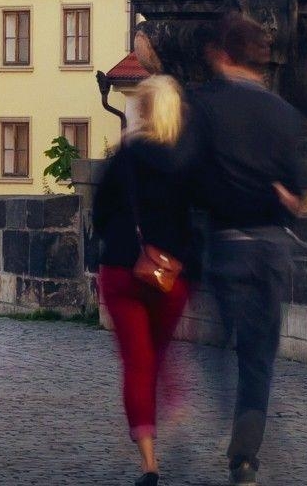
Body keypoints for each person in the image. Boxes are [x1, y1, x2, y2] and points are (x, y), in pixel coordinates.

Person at [189, 12, 307, 485]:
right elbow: (295, 197)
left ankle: (233, 427)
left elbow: (189, 179)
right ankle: (246, 451)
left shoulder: (201, 106)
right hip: (273, 247)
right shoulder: (283, 113)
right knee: (258, 356)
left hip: (227, 245)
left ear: (221, 54)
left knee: (217, 347)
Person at [90, 74, 199, 485]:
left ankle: (149, 461)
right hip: (171, 276)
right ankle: (176, 405)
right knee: (159, 354)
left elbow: (99, 216)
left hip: (122, 269)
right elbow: (195, 223)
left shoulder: (124, 158)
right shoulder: (185, 162)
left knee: (137, 362)